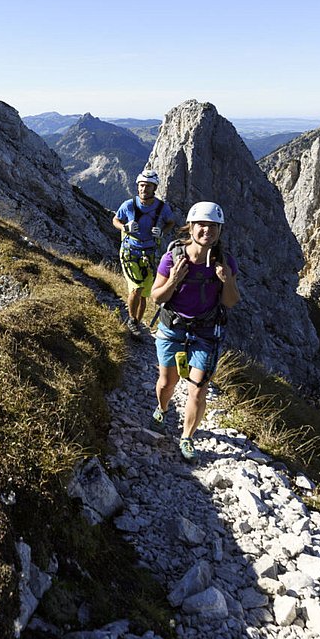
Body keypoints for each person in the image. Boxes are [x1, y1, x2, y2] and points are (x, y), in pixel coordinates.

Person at [149, 201, 240, 461]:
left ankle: (187, 437)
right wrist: (175, 279)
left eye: (213, 226)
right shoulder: (172, 258)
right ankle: (162, 407)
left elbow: (231, 301)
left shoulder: (226, 262)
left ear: (220, 230)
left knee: (198, 388)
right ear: (191, 227)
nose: (207, 231)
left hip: (206, 331)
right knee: (168, 382)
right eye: (202, 225)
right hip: (172, 327)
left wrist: (228, 281)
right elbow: (156, 296)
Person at [112, 171, 176, 335]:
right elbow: (115, 220)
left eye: (148, 186)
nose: (144, 189)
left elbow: (171, 222)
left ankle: (137, 323)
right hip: (130, 251)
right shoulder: (129, 205)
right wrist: (124, 227)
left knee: (145, 294)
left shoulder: (162, 208)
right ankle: (132, 321)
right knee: (137, 288)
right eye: (141, 185)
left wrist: (162, 231)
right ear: (138, 186)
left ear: (154, 188)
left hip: (149, 253)